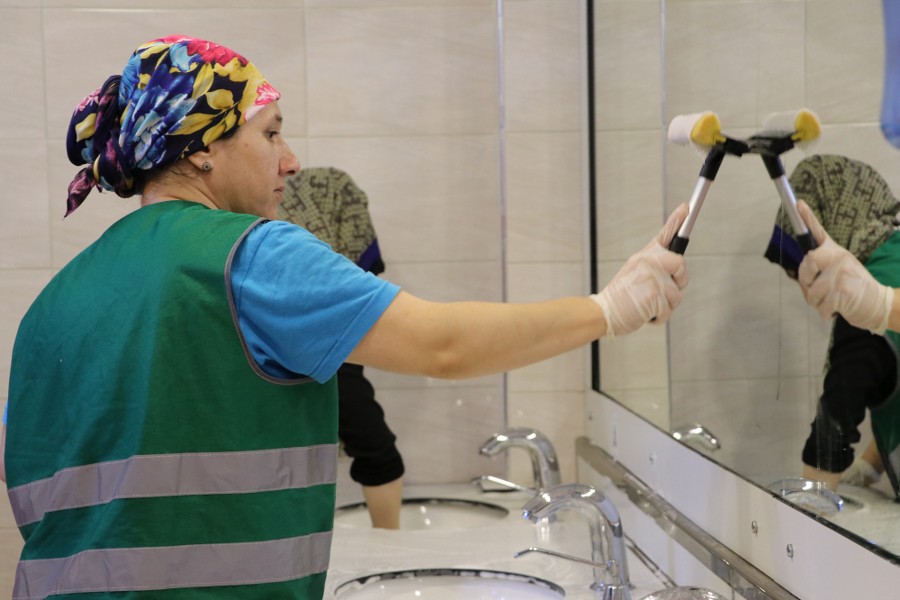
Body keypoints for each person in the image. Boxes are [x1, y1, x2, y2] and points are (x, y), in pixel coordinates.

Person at [4, 35, 689, 599]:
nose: (291, 160)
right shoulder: (249, 255)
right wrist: (609, 309)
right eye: (271, 133)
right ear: (202, 147)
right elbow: (444, 346)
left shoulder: (56, 300)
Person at [279, 167, 405, 529]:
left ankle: (390, 545)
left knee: (373, 446)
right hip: (319, 340)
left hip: (321, 338)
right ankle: (390, 545)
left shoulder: (326, 191)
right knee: (375, 448)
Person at [774, 154, 900, 497]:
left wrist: (809, 507)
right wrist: (868, 468)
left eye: (807, 276)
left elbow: (835, 420)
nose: (809, 295)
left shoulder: (866, 296)